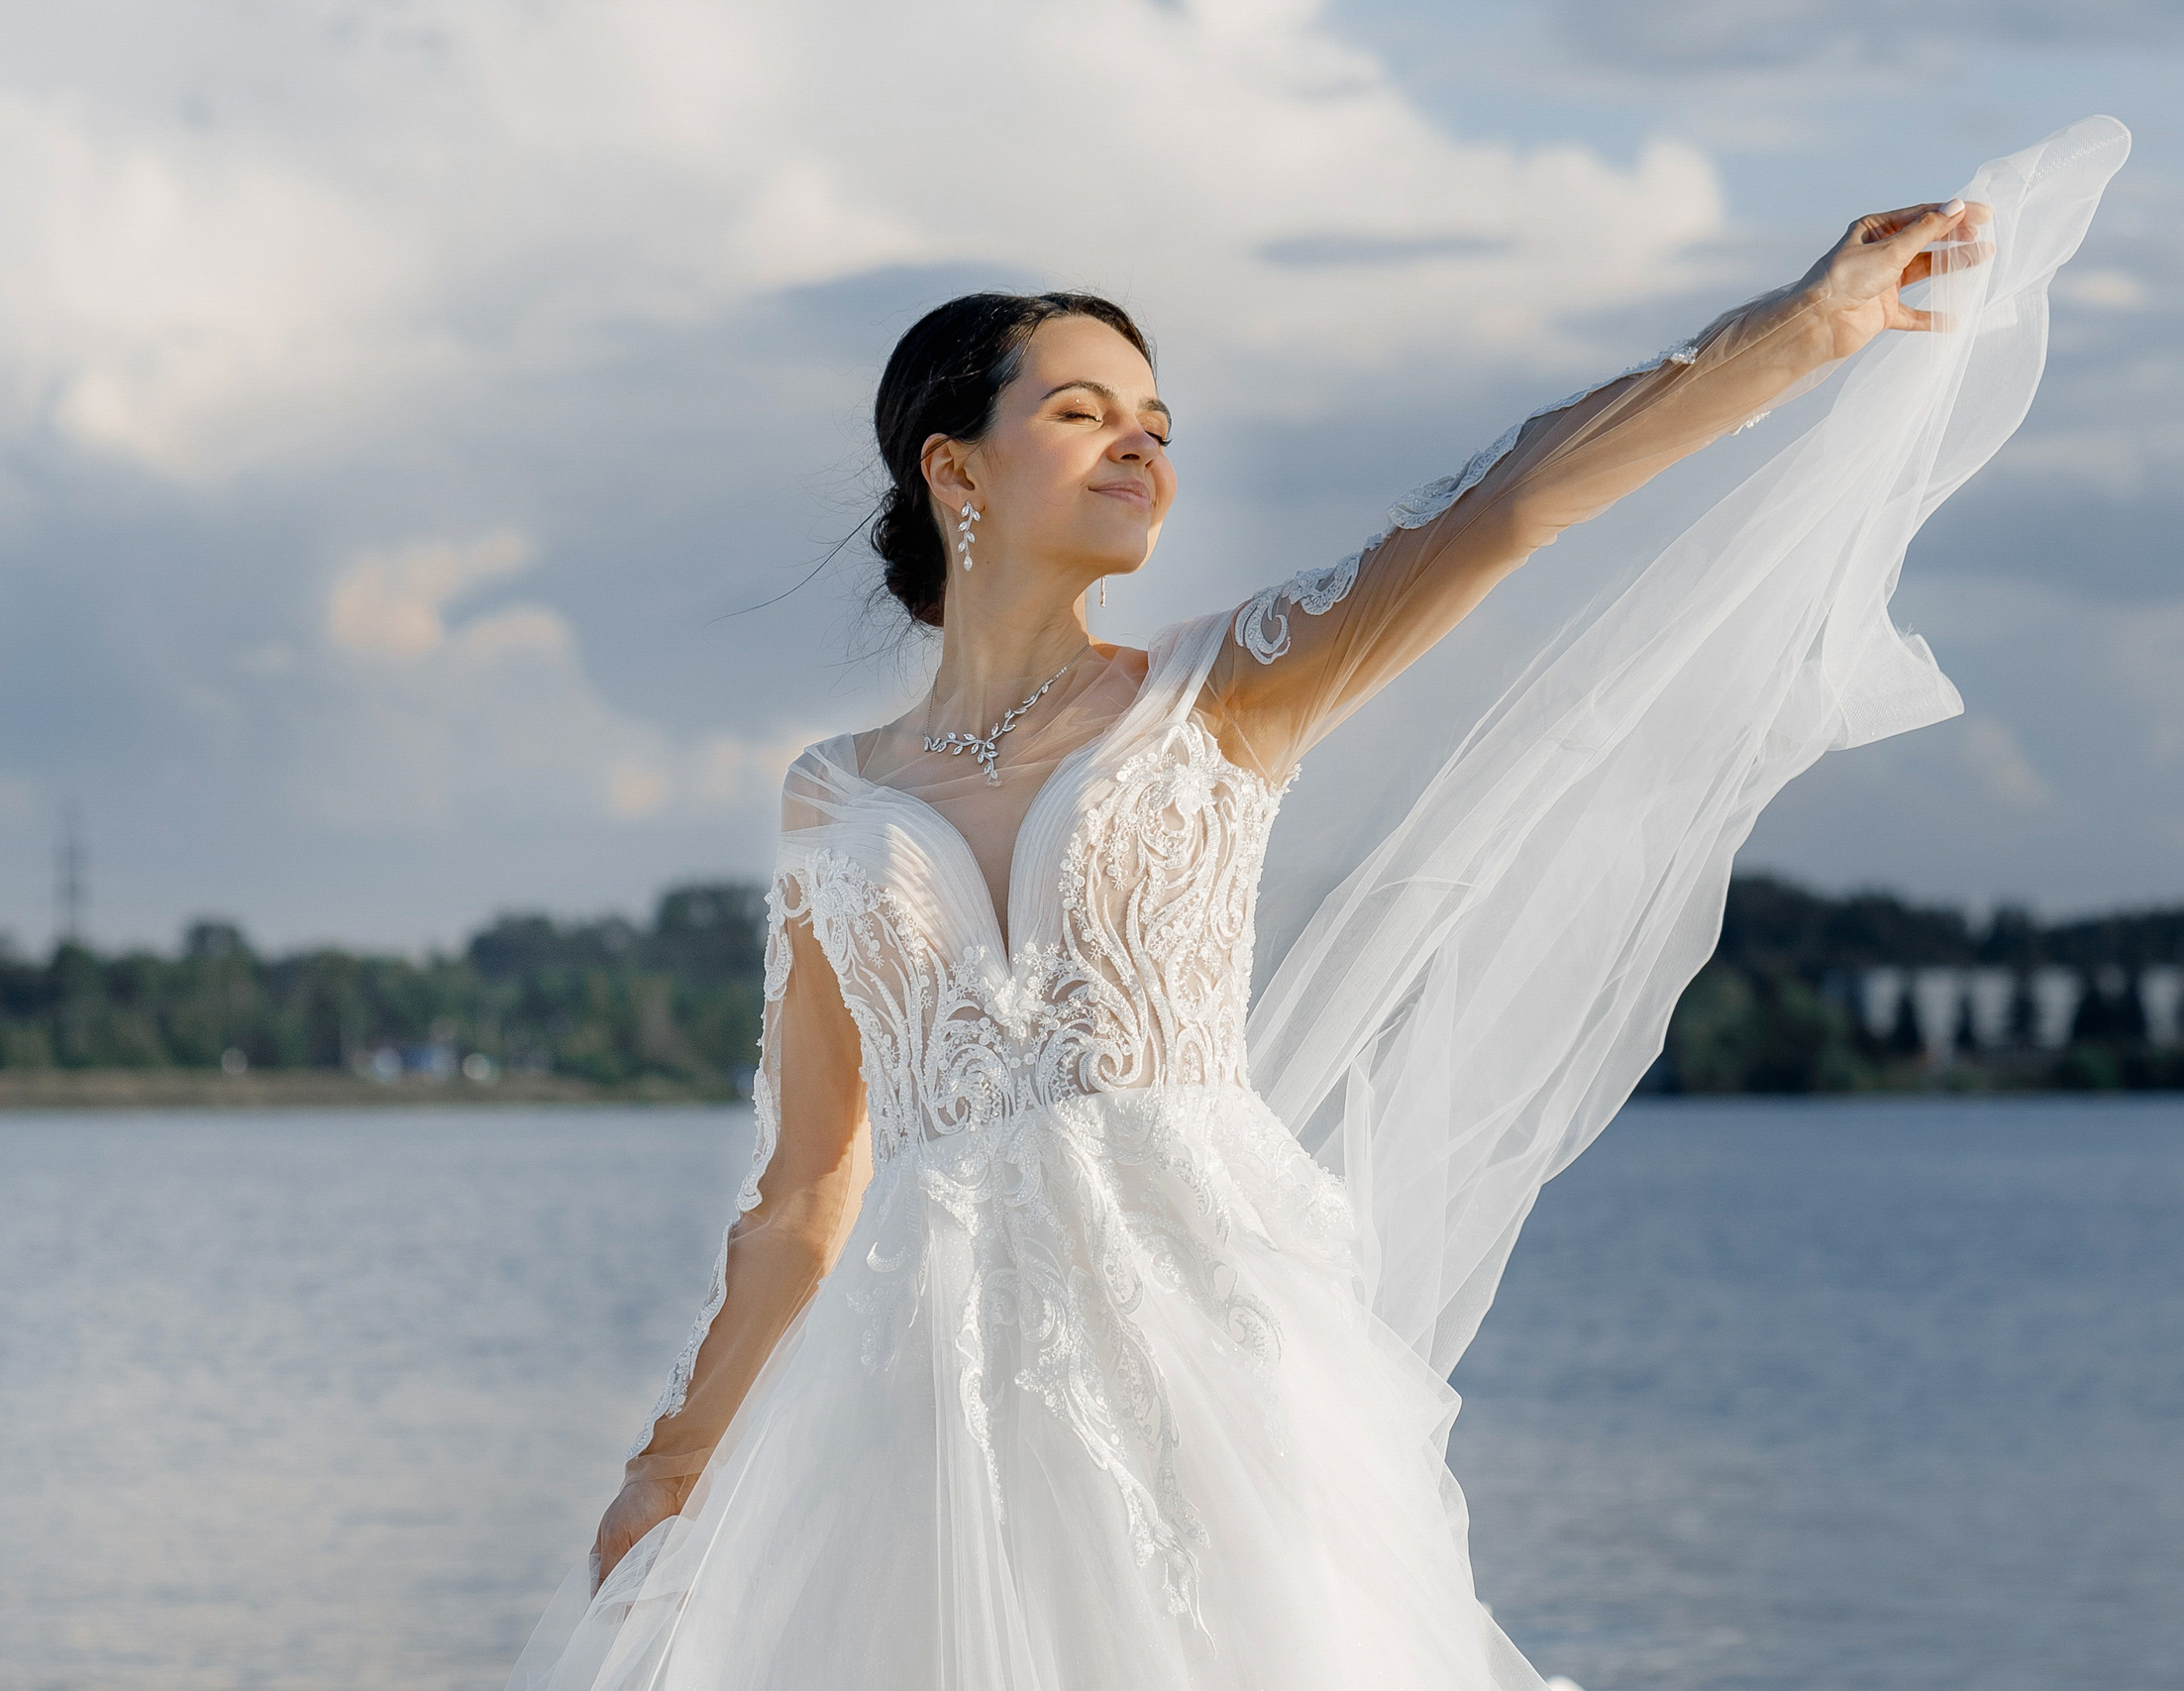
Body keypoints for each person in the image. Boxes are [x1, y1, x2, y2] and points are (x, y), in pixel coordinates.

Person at [510, 119, 2127, 1691]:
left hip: (1203, 1364)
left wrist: (1798, 331)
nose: (1142, 440)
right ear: (956, 468)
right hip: (920, 1404)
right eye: (1083, 411)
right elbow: (807, 1187)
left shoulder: (1223, 695)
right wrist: (677, 1458)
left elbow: (1510, 506)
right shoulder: (832, 798)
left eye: (1156, 417)